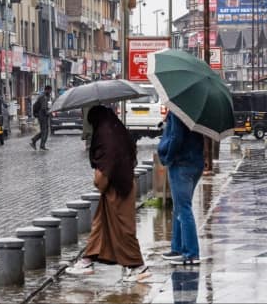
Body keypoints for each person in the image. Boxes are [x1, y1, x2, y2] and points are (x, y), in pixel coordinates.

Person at [67, 105, 149, 282]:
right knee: (101, 224)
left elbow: (108, 161)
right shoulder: (116, 130)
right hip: (120, 182)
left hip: (118, 187)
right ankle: (87, 260)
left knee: (124, 227)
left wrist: (100, 181)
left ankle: (138, 266)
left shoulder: (106, 136)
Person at [158, 111, 204, 266]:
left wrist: (167, 157)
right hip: (195, 162)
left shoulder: (178, 111)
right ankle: (177, 248)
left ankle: (191, 253)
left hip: (181, 163)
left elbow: (176, 137)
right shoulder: (194, 112)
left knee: (184, 208)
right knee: (180, 207)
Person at [30, 85, 52, 151]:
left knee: (44, 131)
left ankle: (35, 141)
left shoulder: (46, 96)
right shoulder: (43, 97)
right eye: (50, 90)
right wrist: (48, 113)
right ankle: (40, 144)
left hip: (42, 115)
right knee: (45, 131)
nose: (50, 92)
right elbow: (44, 108)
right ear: (47, 90)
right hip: (42, 116)